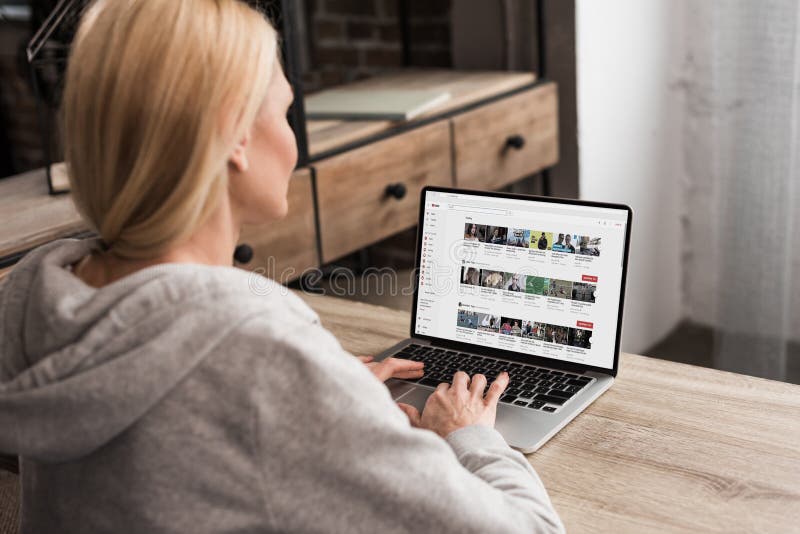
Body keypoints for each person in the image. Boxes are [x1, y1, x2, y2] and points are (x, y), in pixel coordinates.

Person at [0, 2, 564, 533]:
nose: (293, 139)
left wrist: (327, 403)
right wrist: (470, 438)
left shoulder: (38, 296)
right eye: (285, 110)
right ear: (236, 136)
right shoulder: (261, 357)